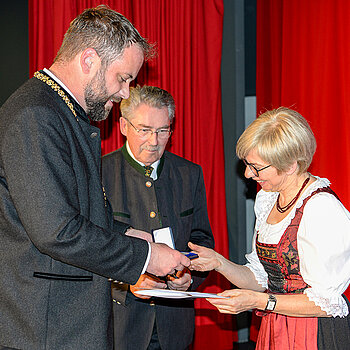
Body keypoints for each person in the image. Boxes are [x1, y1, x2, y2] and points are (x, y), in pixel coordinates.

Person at [0, 6, 189, 350]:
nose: (126, 93)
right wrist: (144, 256)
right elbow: (57, 232)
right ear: (89, 60)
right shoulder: (36, 115)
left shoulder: (60, 112)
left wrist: (129, 234)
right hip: (44, 329)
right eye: (123, 78)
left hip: (60, 323)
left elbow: (76, 212)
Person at [189, 107, 350, 349]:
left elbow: (327, 304)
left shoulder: (321, 209)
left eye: (256, 167)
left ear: (290, 166)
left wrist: (259, 301)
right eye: (246, 164)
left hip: (313, 333)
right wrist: (219, 263)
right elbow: (261, 278)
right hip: (275, 328)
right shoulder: (268, 198)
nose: (247, 173)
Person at [102, 85, 215, 350]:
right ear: (122, 126)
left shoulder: (189, 174)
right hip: (121, 325)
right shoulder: (100, 174)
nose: (153, 141)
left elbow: (201, 240)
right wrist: (127, 281)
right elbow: (91, 248)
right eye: (144, 130)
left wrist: (189, 276)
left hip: (175, 325)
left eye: (163, 130)